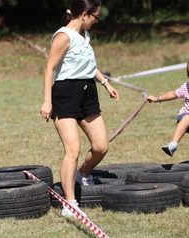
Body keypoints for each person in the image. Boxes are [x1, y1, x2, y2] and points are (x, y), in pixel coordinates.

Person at [40, 0, 119, 218]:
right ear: (84, 14)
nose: (97, 20)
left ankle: (82, 173)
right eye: (96, 16)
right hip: (65, 94)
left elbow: (90, 66)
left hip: (88, 92)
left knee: (101, 146)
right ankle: (70, 203)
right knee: (72, 150)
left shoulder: (85, 36)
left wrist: (106, 83)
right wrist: (48, 102)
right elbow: (49, 68)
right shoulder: (63, 36)